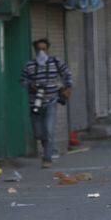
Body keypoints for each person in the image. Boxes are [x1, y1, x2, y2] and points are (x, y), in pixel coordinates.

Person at [20, 38, 73, 168]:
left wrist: (68, 87)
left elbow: (67, 73)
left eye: (44, 49)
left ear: (47, 49)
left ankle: (47, 158)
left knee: (49, 130)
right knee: (39, 133)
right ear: (35, 50)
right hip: (35, 104)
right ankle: (47, 146)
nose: (41, 52)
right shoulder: (29, 65)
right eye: (39, 49)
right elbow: (22, 80)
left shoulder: (55, 62)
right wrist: (31, 85)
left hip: (51, 100)